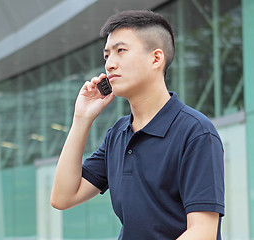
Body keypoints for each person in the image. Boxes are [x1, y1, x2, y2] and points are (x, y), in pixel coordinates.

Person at [50, 10, 224, 240]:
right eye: (106, 56)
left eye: (121, 51)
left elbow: (203, 231)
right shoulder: (118, 134)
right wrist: (81, 120)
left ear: (156, 58)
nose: (110, 64)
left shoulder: (196, 132)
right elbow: (63, 197)